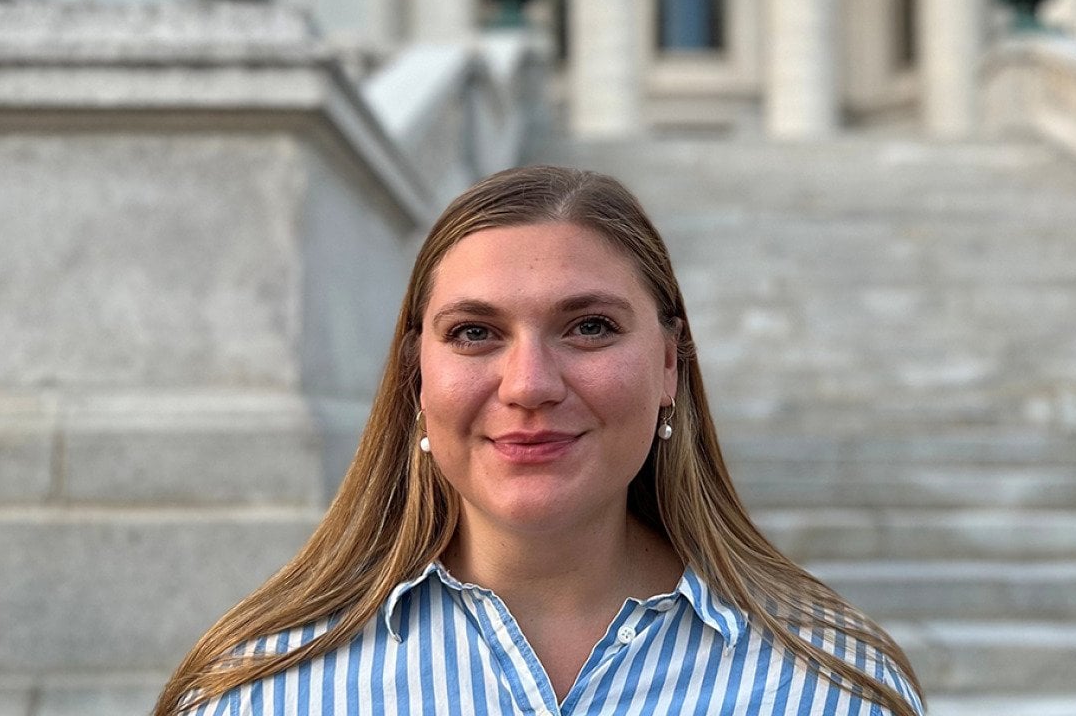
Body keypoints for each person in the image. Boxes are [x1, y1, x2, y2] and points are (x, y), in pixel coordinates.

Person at [155, 166, 925, 716]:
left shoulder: (835, 690)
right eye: (475, 332)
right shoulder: (254, 694)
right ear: (415, 376)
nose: (528, 384)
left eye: (589, 327)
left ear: (667, 364)